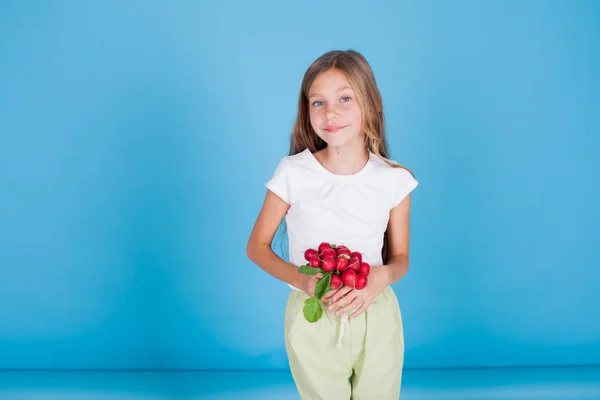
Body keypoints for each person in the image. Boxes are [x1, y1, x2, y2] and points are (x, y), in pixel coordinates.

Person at [246, 49, 419, 400]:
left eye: (344, 99)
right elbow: (256, 247)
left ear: (370, 105)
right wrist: (301, 280)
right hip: (313, 318)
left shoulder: (395, 180)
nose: (331, 113)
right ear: (306, 110)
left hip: (375, 312)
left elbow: (400, 257)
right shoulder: (293, 173)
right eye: (318, 103)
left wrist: (380, 277)